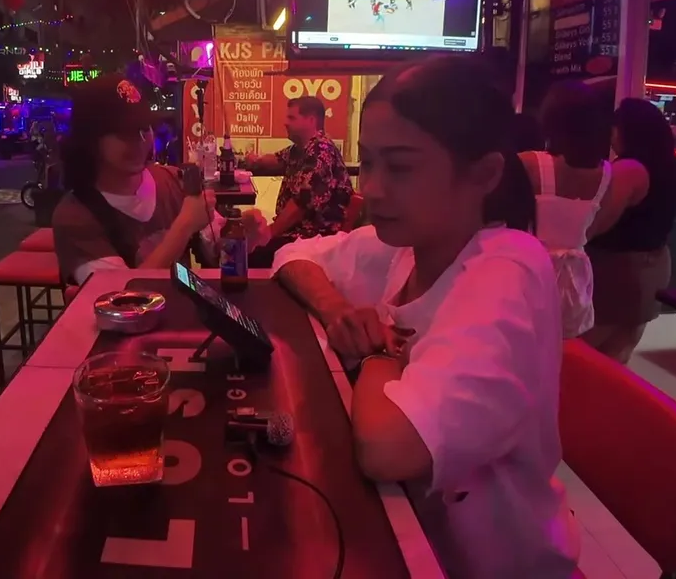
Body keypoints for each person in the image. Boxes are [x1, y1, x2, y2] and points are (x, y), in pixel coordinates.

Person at [273, 56, 578, 579]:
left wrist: (375, 350)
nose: (373, 188)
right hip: (414, 538)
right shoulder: (407, 247)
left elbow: (388, 449)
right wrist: (338, 309)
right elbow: (292, 257)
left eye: (401, 167)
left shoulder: (509, 267)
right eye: (368, 163)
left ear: (483, 174)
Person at [52, 77, 254, 285]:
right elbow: (120, 294)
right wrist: (184, 226)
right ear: (90, 141)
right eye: (127, 132)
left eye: (145, 128)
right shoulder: (75, 216)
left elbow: (216, 248)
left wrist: (244, 235)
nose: (141, 141)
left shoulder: (173, 180)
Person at [584, 97, 676, 363]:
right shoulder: (670, 167)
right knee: (618, 356)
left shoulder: (629, 169)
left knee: (583, 357)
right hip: (653, 266)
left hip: (618, 272)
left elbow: (599, 223)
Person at [521, 81, 613, 339]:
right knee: (561, 350)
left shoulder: (530, 162)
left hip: (531, 270)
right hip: (576, 277)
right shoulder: (607, 173)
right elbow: (593, 229)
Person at [241, 96, 353, 267]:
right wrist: (255, 160)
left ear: (311, 120)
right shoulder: (301, 149)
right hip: (297, 233)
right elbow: (277, 160)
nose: (285, 123)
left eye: (292, 118)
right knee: (243, 244)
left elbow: (300, 204)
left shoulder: (320, 151)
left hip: (314, 238)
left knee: (247, 254)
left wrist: (270, 233)